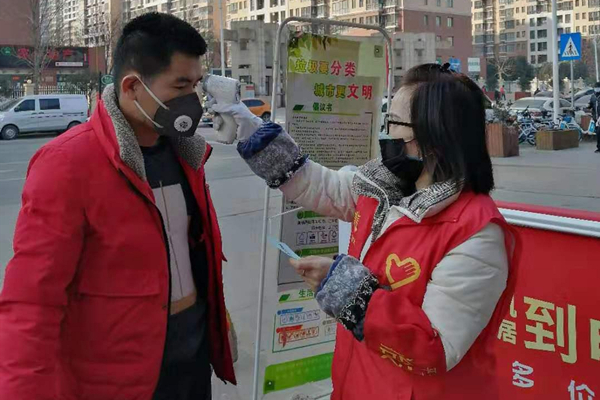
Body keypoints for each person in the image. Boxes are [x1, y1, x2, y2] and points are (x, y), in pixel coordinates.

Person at [211, 63, 518, 399]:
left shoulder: (476, 234)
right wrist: (249, 127)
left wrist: (347, 290)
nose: (385, 134)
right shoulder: (381, 189)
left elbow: (436, 348)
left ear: (434, 137)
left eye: (394, 123)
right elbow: (317, 184)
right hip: (357, 383)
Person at [0, 13, 240, 400]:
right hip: (117, 381)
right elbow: (32, 301)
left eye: (195, 85)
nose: (192, 100)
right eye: (180, 85)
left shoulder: (186, 154)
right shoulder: (68, 163)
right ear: (132, 86)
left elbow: (193, 254)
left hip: (193, 367)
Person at [587, 82, 600, 153]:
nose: (596, 89)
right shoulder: (593, 97)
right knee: (598, 133)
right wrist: (588, 106)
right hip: (596, 118)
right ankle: (599, 147)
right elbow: (591, 105)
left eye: (598, 87)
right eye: (595, 87)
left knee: (599, 132)